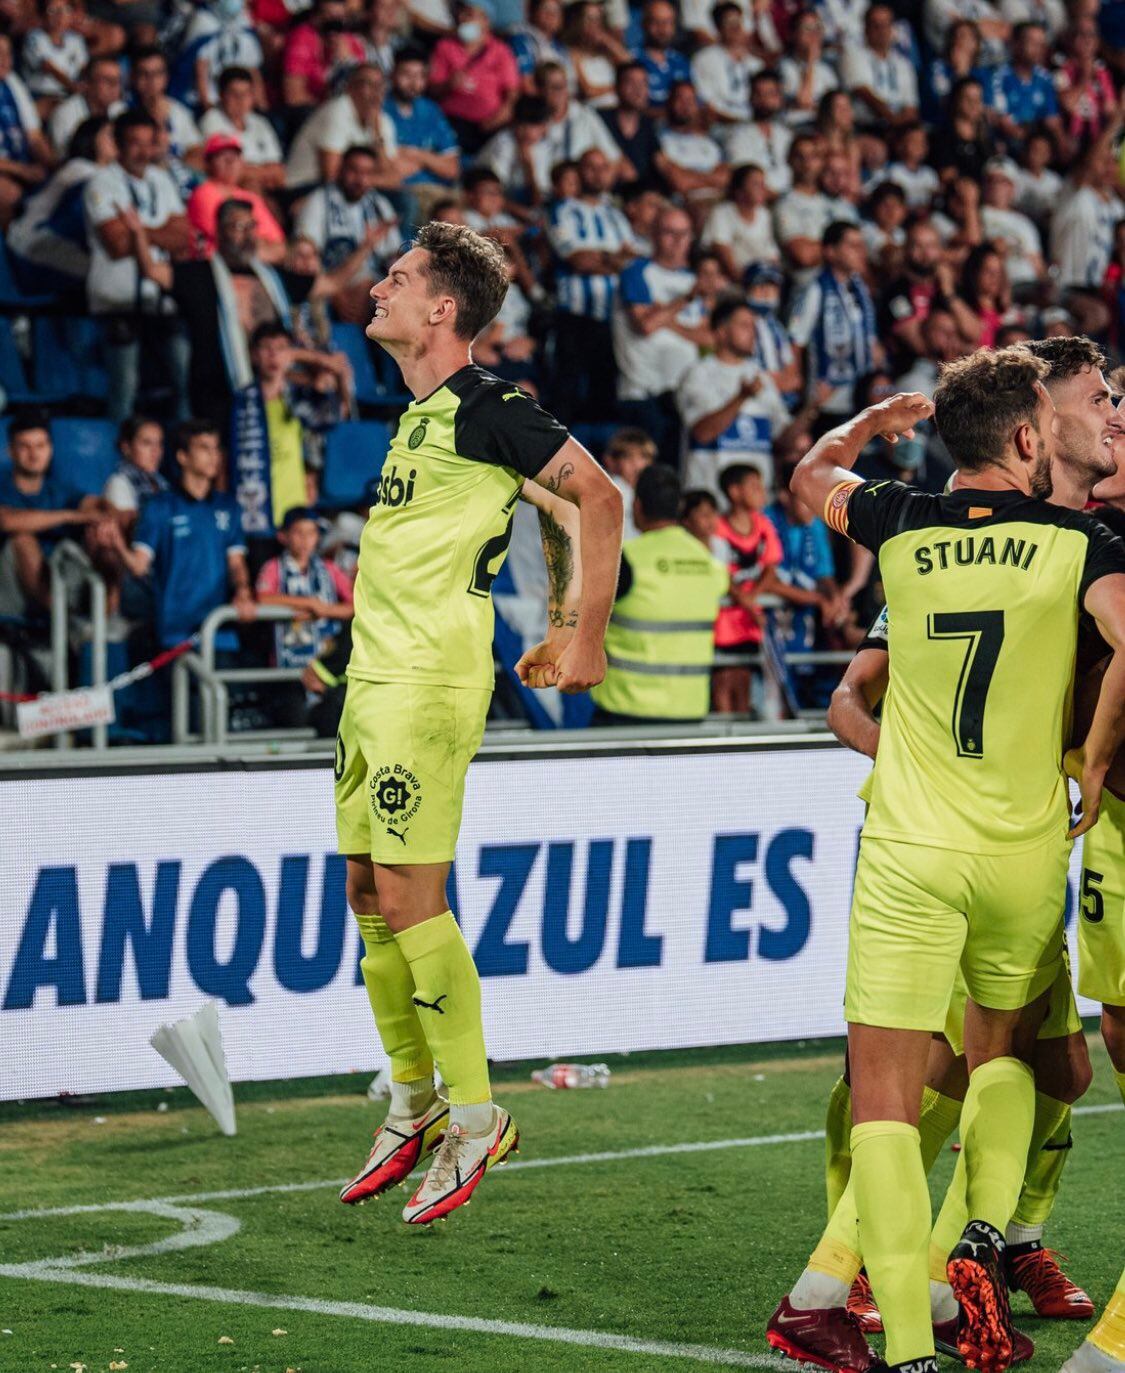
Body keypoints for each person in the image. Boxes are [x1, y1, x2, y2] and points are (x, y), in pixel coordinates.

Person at [770, 353, 1125, 1373]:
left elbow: (807, 480)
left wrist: (871, 423)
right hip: (1021, 847)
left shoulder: (902, 518)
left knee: (887, 1097)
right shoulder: (1077, 541)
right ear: (1029, 439)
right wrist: (1094, 760)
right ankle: (980, 1233)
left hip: (909, 848)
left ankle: (911, 1345)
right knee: (1002, 1055)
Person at [334, 221, 622, 1225]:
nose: (381, 286)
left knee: (414, 899)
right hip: (372, 683)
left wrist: (581, 636)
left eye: (400, 277)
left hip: (426, 685)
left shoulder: (488, 403)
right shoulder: (417, 416)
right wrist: (549, 617)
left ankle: (478, 1111)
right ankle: (413, 1095)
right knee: (367, 888)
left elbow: (596, 492)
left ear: (441, 309)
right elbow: (546, 501)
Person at [589, 464, 727, 725]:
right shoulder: (709, 563)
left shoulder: (626, 559)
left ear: (637, 506)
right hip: (689, 712)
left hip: (624, 710)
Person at [83, 107, 191, 425]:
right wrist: (160, 233)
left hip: (160, 301)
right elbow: (116, 245)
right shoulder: (101, 183)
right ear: (118, 144)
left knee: (185, 379)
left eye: (149, 143)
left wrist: (139, 232)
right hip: (117, 302)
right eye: (134, 143)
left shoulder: (162, 179)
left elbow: (183, 236)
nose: (143, 152)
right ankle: (118, 461)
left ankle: (184, 455)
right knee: (124, 390)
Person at [113, 419, 255, 654]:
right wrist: (118, 546)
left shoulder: (229, 507)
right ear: (182, 457)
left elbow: (236, 564)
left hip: (218, 630)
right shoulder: (159, 507)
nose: (213, 456)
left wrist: (242, 590)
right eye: (203, 448)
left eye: (216, 448)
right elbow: (139, 566)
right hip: (173, 634)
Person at [228, 320, 348, 540]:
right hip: (252, 516)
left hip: (294, 517)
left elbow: (336, 414)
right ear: (254, 355)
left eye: (282, 348)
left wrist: (303, 356)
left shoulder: (299, 398)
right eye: (266, 348)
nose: (274, 355)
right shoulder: (239, 403)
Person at [612, 205, 709, 464]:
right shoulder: (637, 271)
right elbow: (645, 326)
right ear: (654, 235)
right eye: (670, 233)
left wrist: (665, 316)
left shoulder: (692, 279)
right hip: (643, 394)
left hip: (682, 394)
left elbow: (708, 337)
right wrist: (684, 300)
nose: (678, 241)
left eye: (684, 234)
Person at [547, 145, 635, 424]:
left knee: (605, 397)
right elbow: (577, 260)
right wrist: (612, 259)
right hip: (574, 316)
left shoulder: (617, 216)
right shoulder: (563, 210)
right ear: (579, 172)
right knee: (565, 397)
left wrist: (598, 257)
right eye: (590, 167)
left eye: (603, 167)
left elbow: (630, 261)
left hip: (612, 318)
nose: (598, 174)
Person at [0, 410, 111, 619]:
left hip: (56, 580)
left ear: (50, 449)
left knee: (100, 534)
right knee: (22, 539)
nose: (34, 454)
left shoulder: (58, 489)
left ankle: (104, 619)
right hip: (8, 591)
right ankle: (62, 623)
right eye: (25, 446)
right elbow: (6, 521)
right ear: (10, 451)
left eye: (40, 446)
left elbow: (96, 505)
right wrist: (70, 516)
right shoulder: (2, 485)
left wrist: (113, 514)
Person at [677, 296, 791, 496]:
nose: (752, 333)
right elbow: (702, 433)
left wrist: (812, 407)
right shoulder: (698, 373)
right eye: (744, 325)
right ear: (721, 332)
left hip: (756, 508)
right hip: (708, 506)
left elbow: (783, 438)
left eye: (753, 327)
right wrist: (741, 397)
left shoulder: (762, 378)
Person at [788, 221, 881, 429]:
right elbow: (796, 340)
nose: (861, 252)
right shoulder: (814, 289)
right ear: (830, 252)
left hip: (861, 397)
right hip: (828, 400)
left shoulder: (860, 289)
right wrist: (802, 389)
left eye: (861, 245)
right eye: (852, 246)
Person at [295, 143, 400, 319]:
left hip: (374, 285)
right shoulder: (318, 202)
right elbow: (305, 255)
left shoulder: (380, 206)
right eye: (354, 170)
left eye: (367, 173)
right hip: (333, 279)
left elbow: (394, 257)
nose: (360, 179)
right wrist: (333, 292)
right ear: (341, 169)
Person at [711, 462, 782, 716]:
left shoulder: (763, 525)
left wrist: (752, 597)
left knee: (743, 678)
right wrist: (742, 597)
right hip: (723, 622)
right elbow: (717, 569)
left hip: (750, 622)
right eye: (754, 486)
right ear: (734, 491)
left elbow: (771, 566)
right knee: (723, 679)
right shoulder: (717, 526)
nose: (761, 492)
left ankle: (741, 739)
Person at [255, 505, 354, 670]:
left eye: (311, 533)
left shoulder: (329, 568)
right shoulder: (274, 567)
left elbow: (353, 606)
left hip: (325, 661)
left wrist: (324, 610)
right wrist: (307, 603)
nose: (305, 539)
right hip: (286, 662)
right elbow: (263, 598)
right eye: (298, 532)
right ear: (283, 536)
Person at [285, 63, 401, 191]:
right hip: (307, 186)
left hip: (352, 188)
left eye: (380, 85)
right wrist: (373, 180)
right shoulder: (337, 111)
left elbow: (393, 177)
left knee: (402, 199)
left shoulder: (383, 121)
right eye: (368, 84)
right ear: (350, 88)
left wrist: (377, 135)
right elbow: (331, 175)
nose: (376, 92)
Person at [427, 2, 518, 154]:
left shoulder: (501, 51)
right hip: (451, 122)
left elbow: (512, 94)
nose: (463, 19)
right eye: (462, 14)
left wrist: (497, 119)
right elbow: (432, 90)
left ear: (485, 21)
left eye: (470, 14)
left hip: (488, 126)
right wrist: (448, 85)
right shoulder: (445, 47)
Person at [187, 133, 287, 261]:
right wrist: (260, 245)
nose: (230, 162)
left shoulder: (250, 197)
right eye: (222, 156)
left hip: (253, 266)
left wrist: (252, 248)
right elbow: (229, 241)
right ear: (208, 163)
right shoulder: (203, 193)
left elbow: (279, 246)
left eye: (235, 156)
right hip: (214, 267)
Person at [383, 47, 460, 192]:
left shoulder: (431, 110)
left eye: (420, 76)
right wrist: (432, 160)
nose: (413, 83)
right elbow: (390, 169)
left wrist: (414, 154)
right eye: (406, 74)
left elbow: (452, 169)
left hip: (436, 191)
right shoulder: (380, 108)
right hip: (399, 191)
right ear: (392, 74)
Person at [0, 29, 55, 229]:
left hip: (20, 164)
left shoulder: (13, 82)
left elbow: (34, 137)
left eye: (8, 53)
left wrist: (53, 165)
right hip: (8, 169)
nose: (5, 59)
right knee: (8, 194)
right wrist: (23, 171)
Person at [199, 65, 285, 192]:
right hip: (232, 189)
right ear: (221, 95)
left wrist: (253, 172)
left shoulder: (260, 122)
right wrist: (263, 172)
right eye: (234, 94)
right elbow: (230, 171)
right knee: (251, 186)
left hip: (267, 188)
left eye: (246, 93)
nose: (241, 100)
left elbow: (278, 171)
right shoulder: (211, 121)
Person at [840, 3, 919, 130]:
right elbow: (864, 93)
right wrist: (892, 119)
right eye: (875, 25)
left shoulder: (903, 63)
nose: (881, 31)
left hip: (898, 127)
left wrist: (905, 127)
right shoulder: (853, 54)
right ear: (865, 29)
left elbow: (911, 105)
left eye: (886, 25)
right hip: (866, 126)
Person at [700, 162, 779, 281]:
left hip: (761, 278)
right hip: (732, 279)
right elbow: (724, 256)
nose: (763, 189)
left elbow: (772, 255)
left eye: (763, 183)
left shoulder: (764, 215)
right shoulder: (722, 213)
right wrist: (748, 282)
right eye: (756, 184)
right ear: (739, 190)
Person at [47, 52, 122, 155]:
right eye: (107, 80)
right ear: (87, 83)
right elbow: (65, 157)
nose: (114, 85)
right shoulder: (64, 114)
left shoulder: (120, 109)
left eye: (117, 80)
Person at [600, 426, 655, 541]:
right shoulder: (612, 490)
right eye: (628, 457)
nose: (637, 465)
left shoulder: (651, 491)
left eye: (644, 457)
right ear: (611, 461)